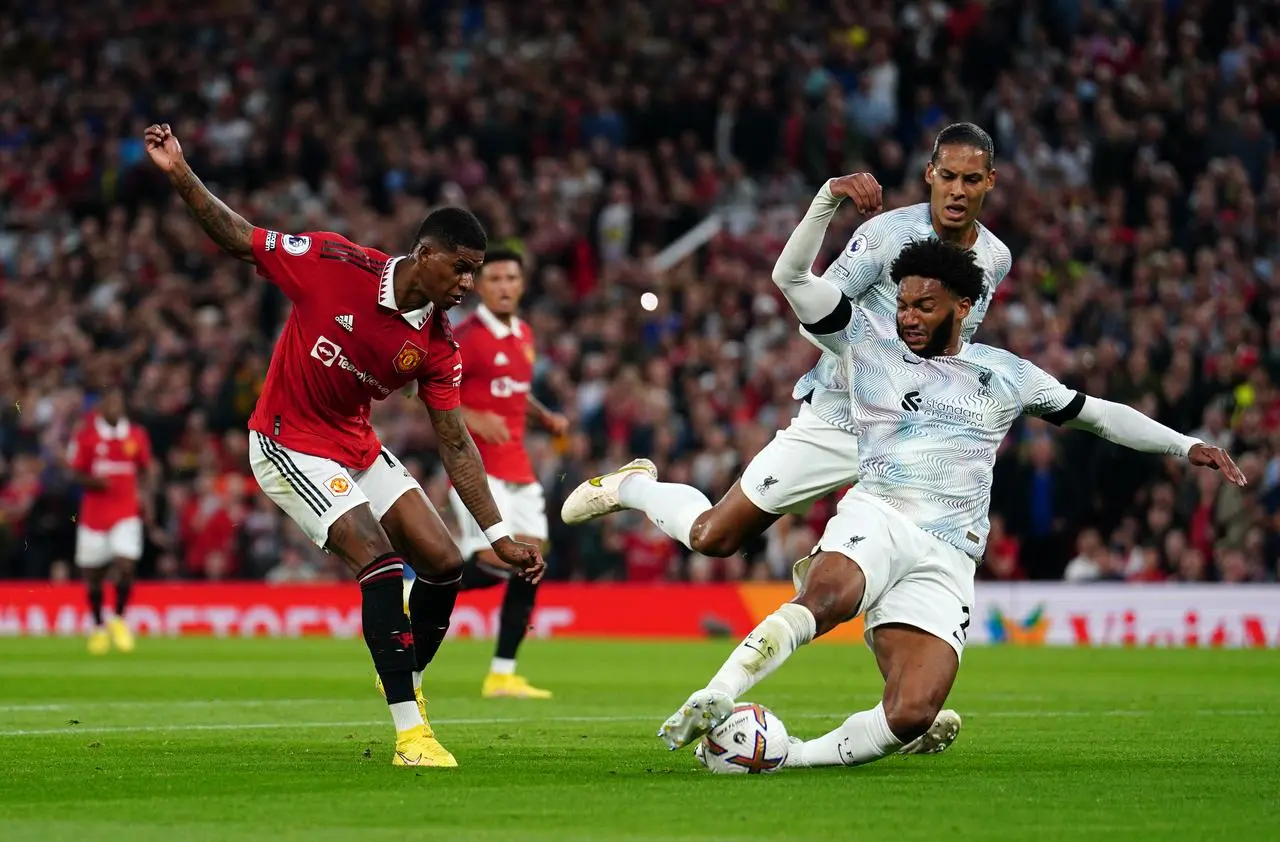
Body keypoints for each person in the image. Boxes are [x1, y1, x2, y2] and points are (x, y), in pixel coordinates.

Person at [655, 189, 1245, 768]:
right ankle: (719, 693)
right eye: (904, 305)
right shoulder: (866, 341)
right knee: (828, 597)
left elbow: (1097, 415)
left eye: (924, 307)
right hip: (879, 513)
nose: (907, 318)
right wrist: (827, 200)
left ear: (963, 306)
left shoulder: (1006, 374)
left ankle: (792, 760)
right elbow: (791, 278)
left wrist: (1186, 445)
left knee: (912, 711)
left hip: (950, 553)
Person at [143, 123, 544, 767]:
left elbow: (457, 443)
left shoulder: (440, 346)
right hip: (286, 442)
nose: (468, 284)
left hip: (354, 445)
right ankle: (411, 734)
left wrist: (497, 536)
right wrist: (181, 174)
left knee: (444, 565)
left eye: (475, 273)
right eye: (462, 269)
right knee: (381, 562)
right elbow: (241, 239)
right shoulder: (332, 262)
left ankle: (402, 672)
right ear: (425, 254)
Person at [561, 123, 1012, 560]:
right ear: (929, 173)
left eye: (971, 179)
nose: (957, 190)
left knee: (918, 557)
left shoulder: (996, 258)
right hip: (840, 419)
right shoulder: (885, 236)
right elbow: (812, 318)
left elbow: (955, 347)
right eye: (948, 176)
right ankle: (634, 486)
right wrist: (880, 359)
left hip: (913, 434)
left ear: (989, 181)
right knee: (714, 537)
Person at [450, 249, 568, 698]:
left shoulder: (523, 334)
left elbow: (515, 393)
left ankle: (502, 673)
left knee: (530, 565)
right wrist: (473, 418)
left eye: (511, 278)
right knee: (496, 560)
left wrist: (545, 416)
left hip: (519, 467)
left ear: (521, 284)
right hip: (479, 469)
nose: (503, 286)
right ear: (479, 286)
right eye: (494, 278)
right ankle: (421, 591)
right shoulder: (465, 336)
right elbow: (421, 388)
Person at [65, 386, 153, 655]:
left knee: (126, 565)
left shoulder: (136, 435)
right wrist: (94, 482)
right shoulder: (87, 436)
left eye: (119, 401)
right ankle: (98, 626)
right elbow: (74, 473)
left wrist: (145, 498)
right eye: (111, 402)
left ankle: (117, 618)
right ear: (101, 406)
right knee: (93, 576)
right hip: (94, 515)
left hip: (126, 512)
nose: (116, 406)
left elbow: (145, 468)